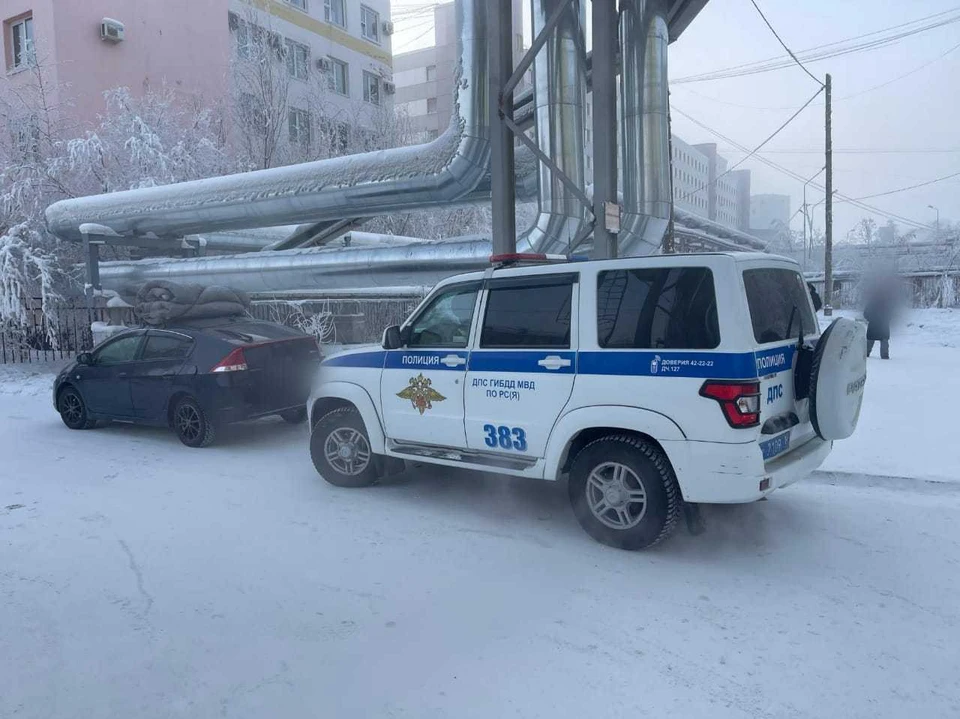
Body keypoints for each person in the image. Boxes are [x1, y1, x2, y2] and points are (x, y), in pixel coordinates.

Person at [863, 286, 893, 359]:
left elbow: (865, 313)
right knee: (883, 341)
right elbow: (891, 314)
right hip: (882, 325)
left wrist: (870, 318)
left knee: (871, 340)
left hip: (874, 324)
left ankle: (865, 354)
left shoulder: (871, 302)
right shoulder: (886, 302)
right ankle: (884, 356)